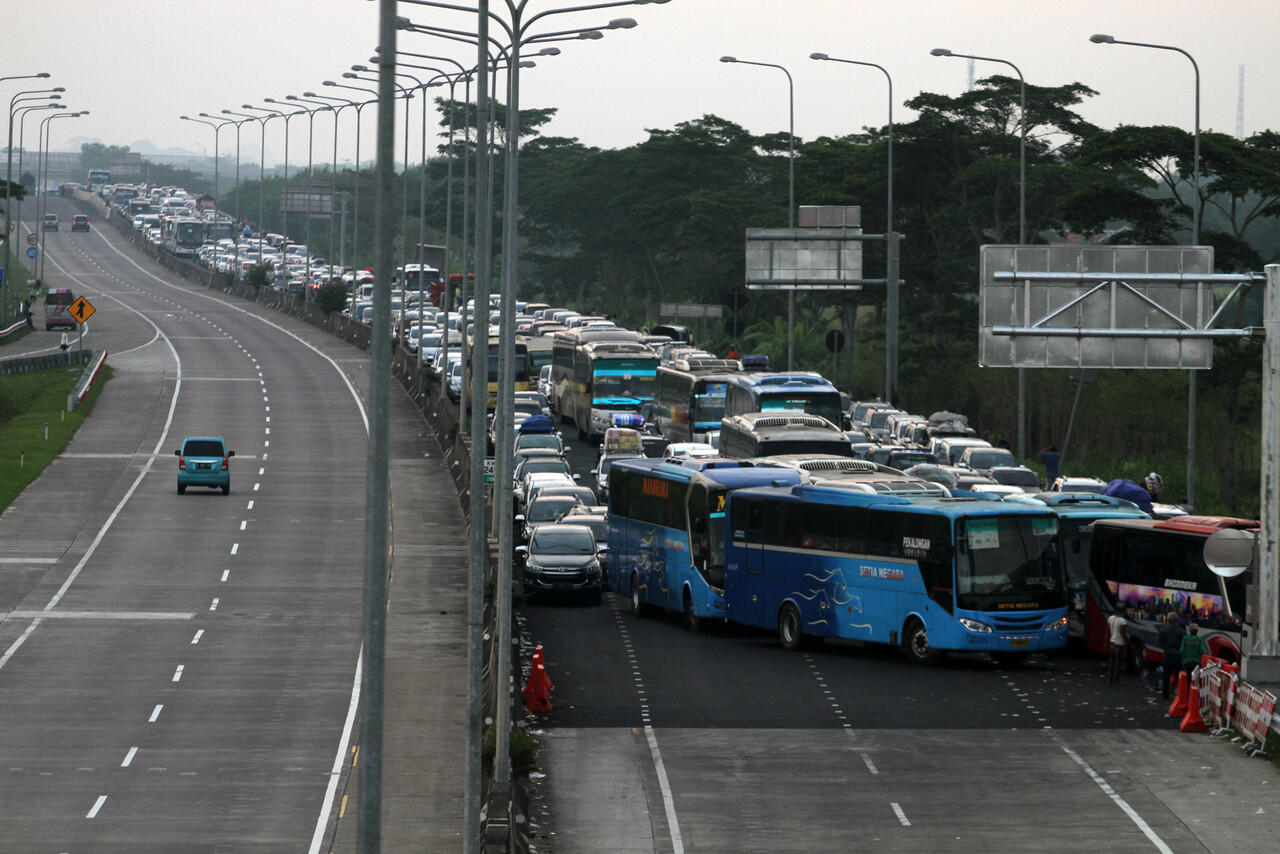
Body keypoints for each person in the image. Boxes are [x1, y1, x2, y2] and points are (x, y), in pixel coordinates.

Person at [1157, 613, 1185, 699]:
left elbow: (1160, 643)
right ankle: (1177, 694)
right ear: (1177, 620)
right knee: (1178, 676)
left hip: (1168, 656)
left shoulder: (1163, 630)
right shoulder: (1182, 631)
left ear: (1168, 620)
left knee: (1166, 676)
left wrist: (1168, 649)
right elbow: (1184, 644)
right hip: (1178, 656)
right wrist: (1178, 651)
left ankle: (1165, 694)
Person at [1106, 608, 1128, 686]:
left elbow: (1107, 632)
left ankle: (1109, 680)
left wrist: (1106, 643)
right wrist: (1126, 641)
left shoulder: (1110, 618)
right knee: (1118, 663)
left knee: (1111, 662)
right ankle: (1116, 681)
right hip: (1119, 643)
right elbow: (1123, 633)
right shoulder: (1122, 621)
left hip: (1112, 642)